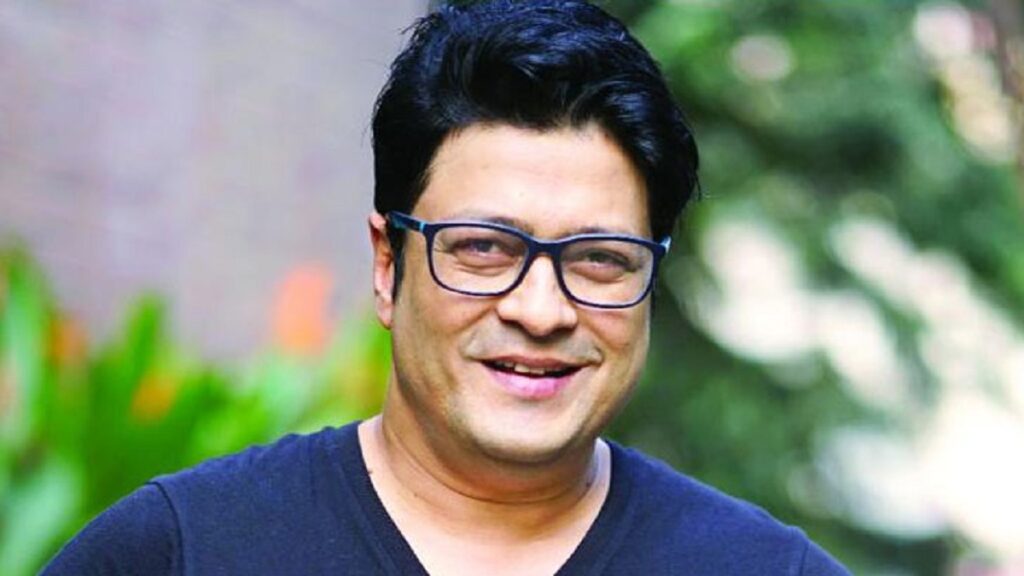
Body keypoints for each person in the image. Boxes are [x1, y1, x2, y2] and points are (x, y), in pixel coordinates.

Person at [43, 1, 850, 574]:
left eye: (600, 259)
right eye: (484, 249)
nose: (541, 310)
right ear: (387, 264)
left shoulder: (766, 570)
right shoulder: (182, 551)